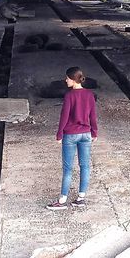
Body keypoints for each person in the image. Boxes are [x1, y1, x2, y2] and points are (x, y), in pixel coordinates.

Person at [47, 66, 98, 210]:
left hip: (70, 134)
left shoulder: (69, 95)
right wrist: (94, 132)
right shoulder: (90, 95)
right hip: (86, 134)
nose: (66, 80)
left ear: (73, 80)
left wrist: (59, 134)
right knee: (85, 166)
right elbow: (93, 116)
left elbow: (64, 116)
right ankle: (81, 198)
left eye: (67, 78)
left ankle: (62, 201)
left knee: (68, 169)